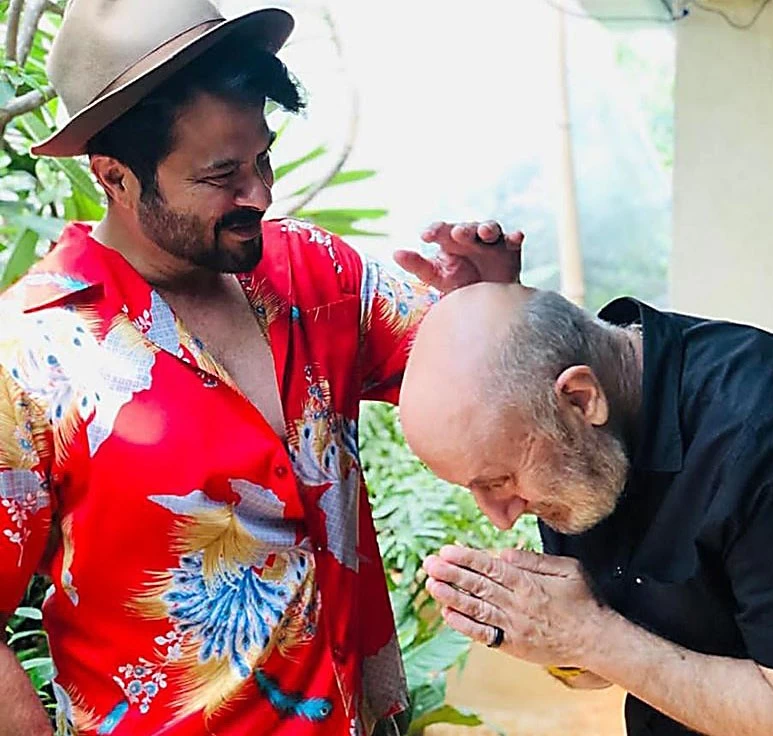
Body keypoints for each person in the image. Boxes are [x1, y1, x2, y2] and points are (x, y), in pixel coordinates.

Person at [0, 2, 523, 734]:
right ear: (115, 177)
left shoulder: (318, 271)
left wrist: (491, 303)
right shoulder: (31, 354)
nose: (261, 194)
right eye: (222, 175)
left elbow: (479, 379)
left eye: (263, 159)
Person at [399, 283, 773, 736]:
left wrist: (587, 635)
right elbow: (621, 653)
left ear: (581, 399)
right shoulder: (578, 444)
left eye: (499, 481)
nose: (501, 515)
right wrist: (550, 636)